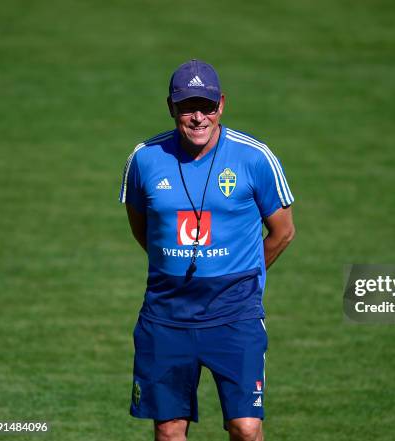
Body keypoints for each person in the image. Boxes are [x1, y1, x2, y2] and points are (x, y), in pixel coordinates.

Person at [119, 59, 295, 441]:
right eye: (187, 107)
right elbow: (143, 229)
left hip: (235, 314)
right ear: (171, 108)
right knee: (168, 431)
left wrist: (245, 274)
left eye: (207, 106)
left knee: (246, 429)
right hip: (167, 317)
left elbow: (282, 232)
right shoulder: (144, 160)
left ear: (222, 105)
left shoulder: (254, 158)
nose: (198, 117)